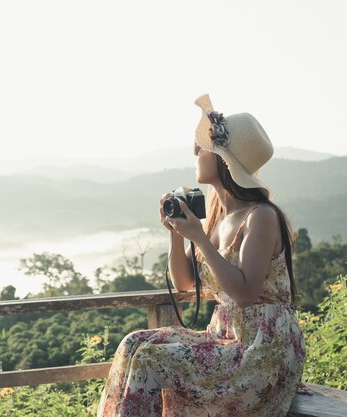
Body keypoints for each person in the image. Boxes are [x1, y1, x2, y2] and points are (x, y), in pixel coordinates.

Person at [96, 94, 306, 417]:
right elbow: (183, 283)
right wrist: (176, 235)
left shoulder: (260, 217)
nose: (195, 151)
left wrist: (199, 239)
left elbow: (246, 292)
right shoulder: (216, 213)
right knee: (134, 343)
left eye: (203, 147)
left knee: (151, 362)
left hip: (262, 348)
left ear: (223, 160)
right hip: (223, 336)